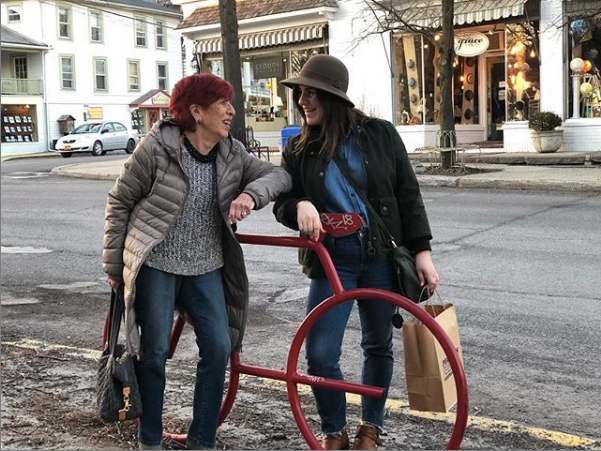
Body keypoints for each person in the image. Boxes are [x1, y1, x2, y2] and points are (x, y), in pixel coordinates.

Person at [102, 73, 291, 450]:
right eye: (223, 104)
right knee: (154, 353)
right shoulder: (156, 148)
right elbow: (120, 202)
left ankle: (202, 441)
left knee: (219, 347)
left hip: (206, 266)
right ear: (197, 111)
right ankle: (150, 439)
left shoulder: (232, 152)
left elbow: (279, 174)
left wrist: (251, 196)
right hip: (157, 264)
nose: (230, 111)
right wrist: (113, 266)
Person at [273, 55, 438, 450]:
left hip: (381, 256)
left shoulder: (380, 134)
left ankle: (371, 428)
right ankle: (334, 429)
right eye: (300, 93)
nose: (303, 101)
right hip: (332, 260)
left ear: (332, 97)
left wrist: (423, 252)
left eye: (311, 94)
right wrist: (298, 206)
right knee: (319, 352)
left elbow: (407, 194)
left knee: (377, 344)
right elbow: (282, 200)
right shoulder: (297, 147)